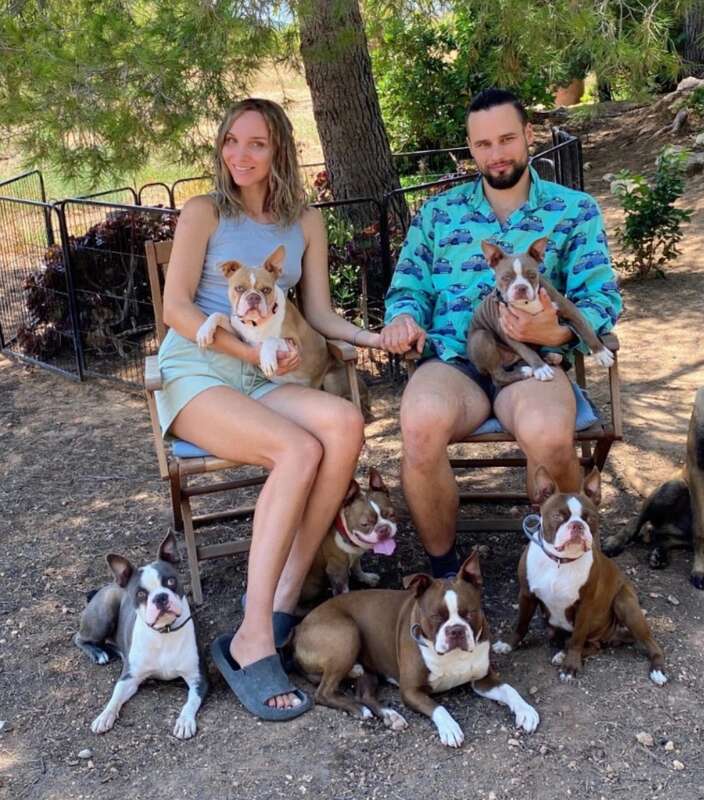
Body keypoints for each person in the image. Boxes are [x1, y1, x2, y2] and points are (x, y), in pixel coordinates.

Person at [157, 97, 380, 718]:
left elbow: (322, 314)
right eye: (231, 141)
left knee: (345, 423)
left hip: (263, 375)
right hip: (199, 369)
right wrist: (245, 352)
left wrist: (372, 336)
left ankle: (286, 592)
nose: (239, 155)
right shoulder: (203, 212)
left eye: (255, 144)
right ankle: (252, 638)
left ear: (279, 148)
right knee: (298, 448)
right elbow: (175, 308)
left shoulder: (304, 223)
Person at [380, 88, 622, 579]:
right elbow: (406, 286)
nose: (497, 154)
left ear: (529, 136)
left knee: (551, 436)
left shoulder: (572, 210)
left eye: (508, 138)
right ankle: (447, 575)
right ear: (471, 149)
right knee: (420, 423)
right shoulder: (437, 215)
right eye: (484, 144)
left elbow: (600, 297)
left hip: (535, 360)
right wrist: (403, 318)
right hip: (453, 360)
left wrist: (555, 334)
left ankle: (574, 563)